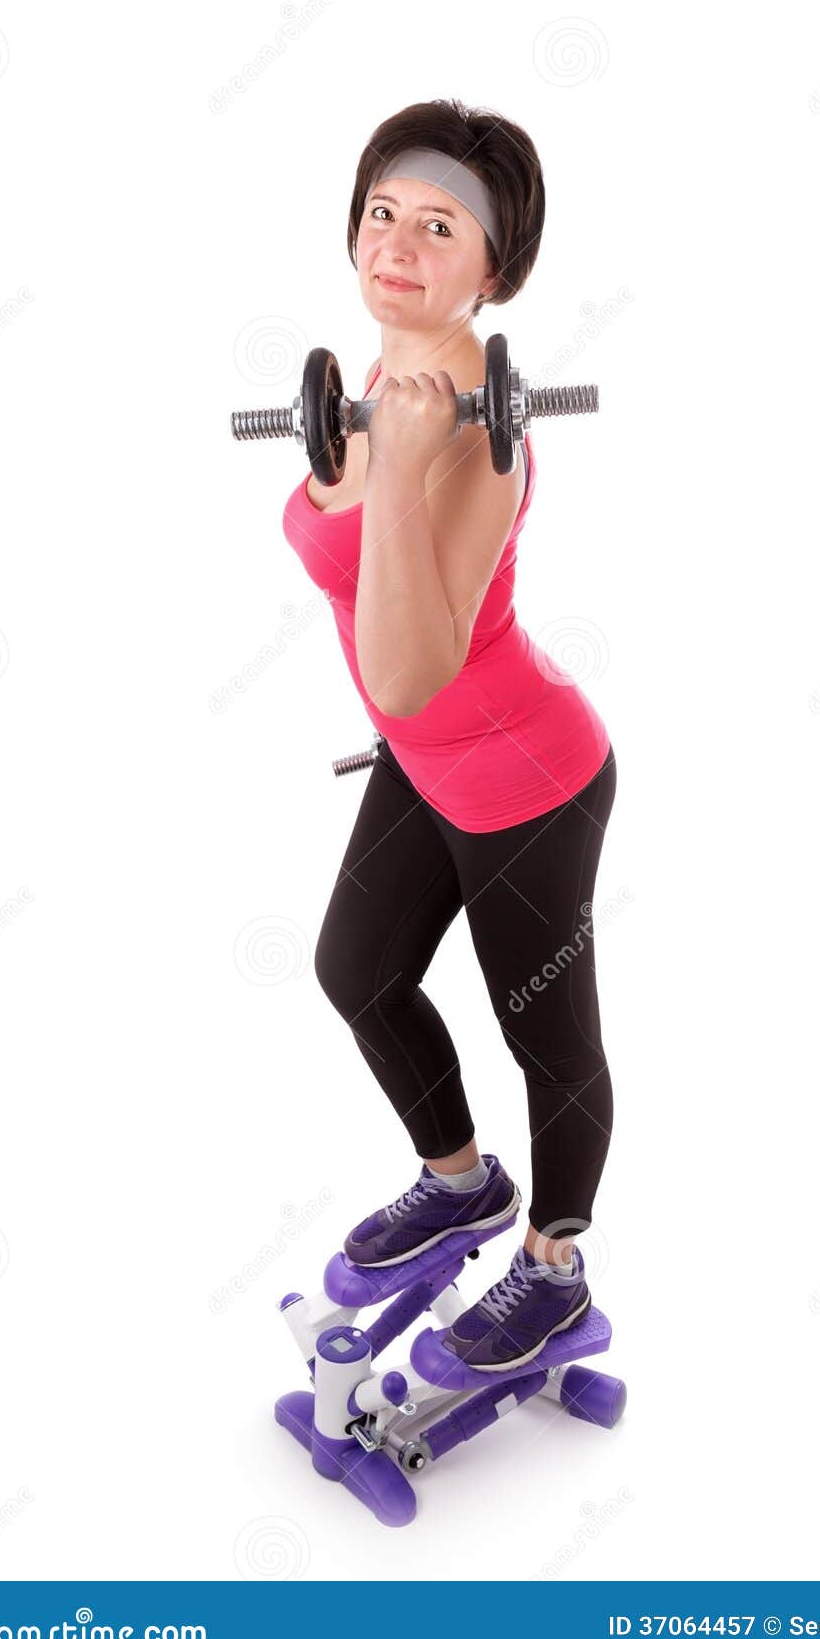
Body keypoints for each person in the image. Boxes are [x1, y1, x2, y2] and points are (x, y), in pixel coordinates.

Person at [281, 99, 617, 1373]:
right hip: (430, 766)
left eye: (439, 226)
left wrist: (410, 463)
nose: (399, 245)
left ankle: (553, 1270)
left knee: (549, 1036)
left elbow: (410, 673)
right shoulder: (387, 374)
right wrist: (386, 439)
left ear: (498, 269)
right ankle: (460, 1180)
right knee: (355, 968)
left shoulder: (476, 433)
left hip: (528, 776)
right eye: (382, 213)